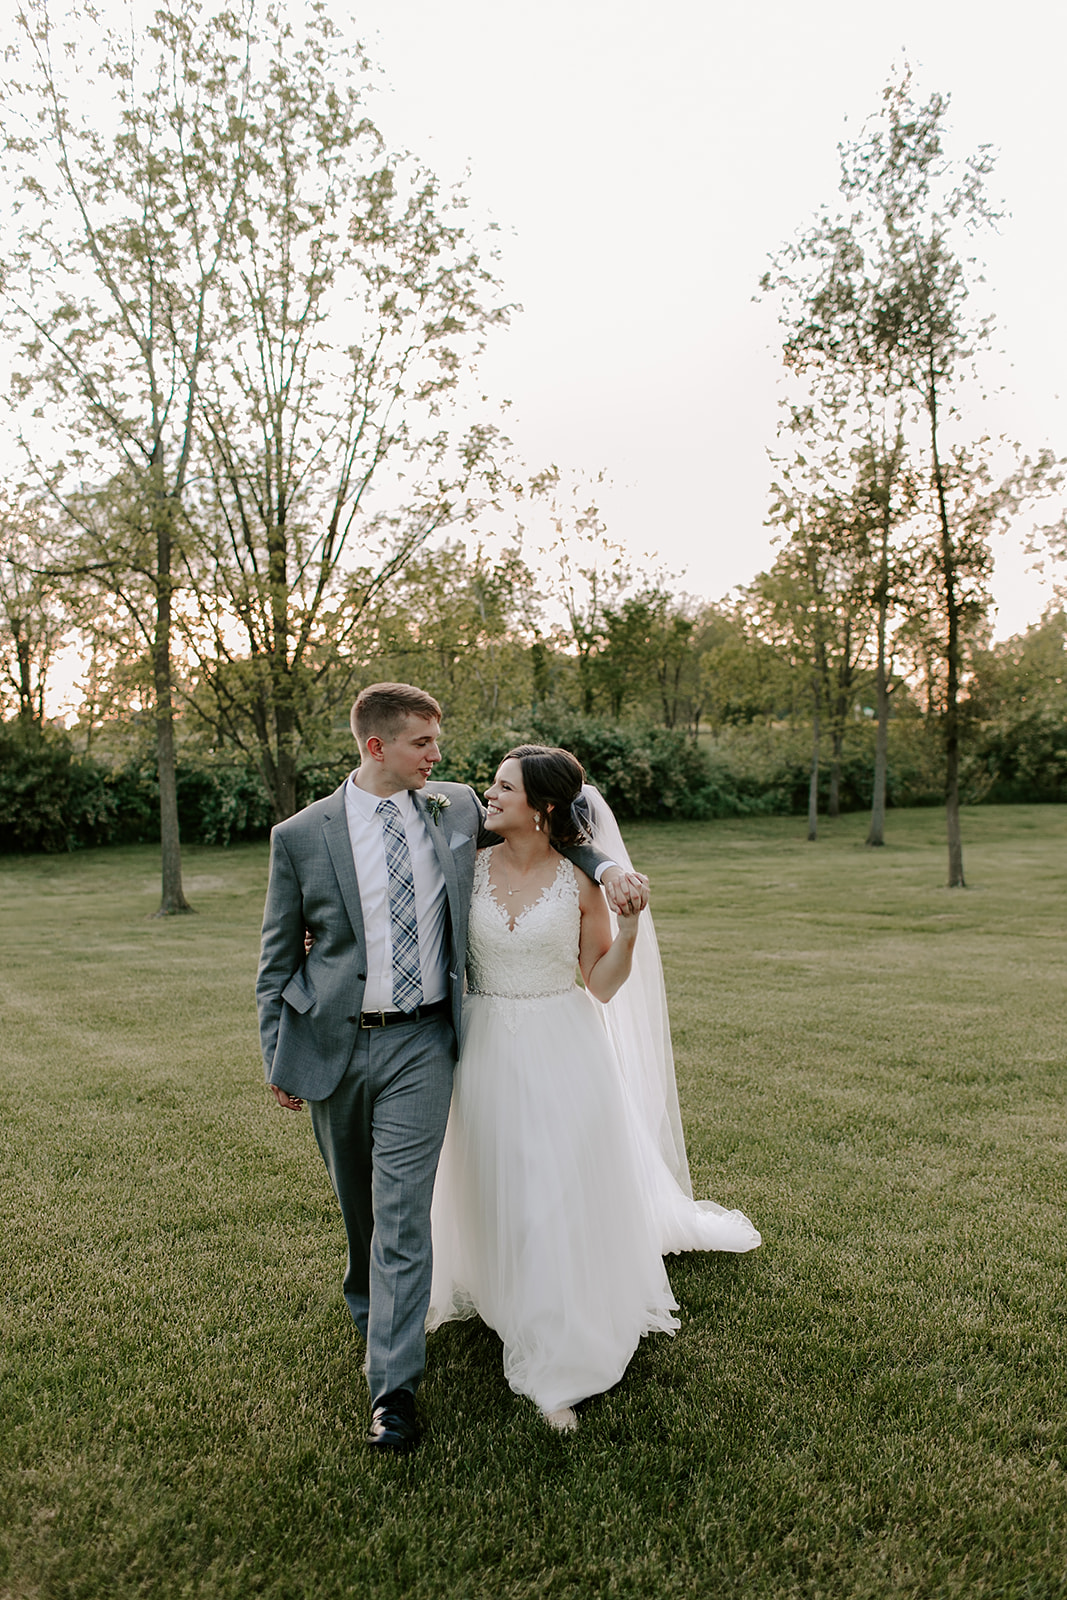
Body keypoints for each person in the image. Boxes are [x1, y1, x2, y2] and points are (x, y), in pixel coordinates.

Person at [256, 685, 645, 1454]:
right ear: (376, 748)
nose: (439, 757)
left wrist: (605, 871)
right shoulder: (300, 836)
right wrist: (281, 1052)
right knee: (360, 1211)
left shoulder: (456, 805)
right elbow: (274, 960)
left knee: (403, 1211)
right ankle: (375, 1317)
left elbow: (559, 834)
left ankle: (392, 1391)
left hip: (424, 1044)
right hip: (335, 1043)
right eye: (423, 744)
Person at [427, 745, 761, 1432]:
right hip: (484, 1045)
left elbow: (600, 984)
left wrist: (631, 930)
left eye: (502, 787)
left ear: (542, 806)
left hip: (562, 1043)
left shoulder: (578, 881)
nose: (488, 795)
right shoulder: (466, 867)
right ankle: (509, 1294)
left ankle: (562, 1353)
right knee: (500, 1182)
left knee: (553, 1188)